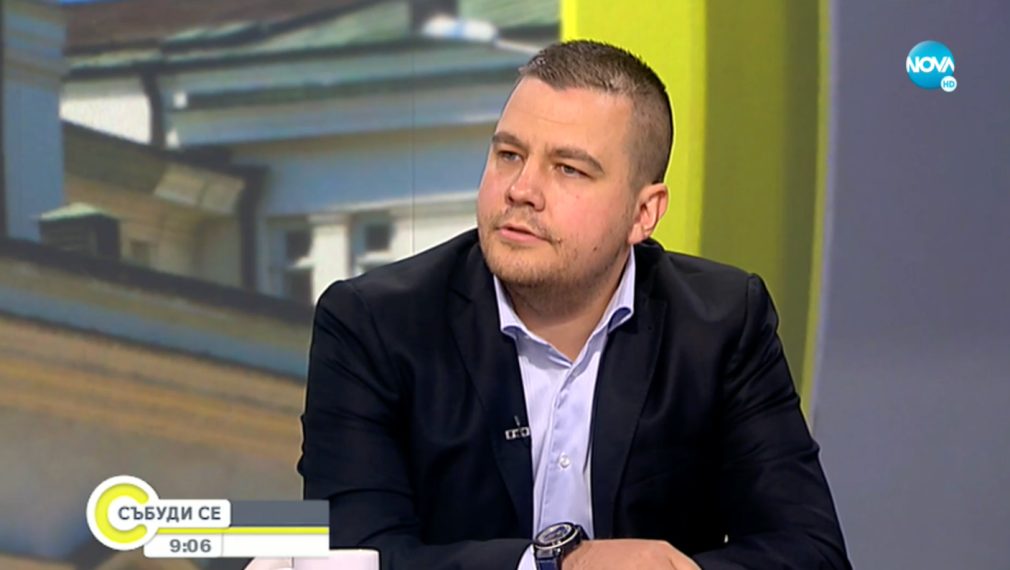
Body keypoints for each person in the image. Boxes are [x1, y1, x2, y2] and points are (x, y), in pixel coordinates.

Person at [299, 40, 850, 570]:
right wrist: (555, 565)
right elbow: (353, 554)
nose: (521, 189)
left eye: (568, 169)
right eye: (509, 155)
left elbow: (811, 550)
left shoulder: (719, 323)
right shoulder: (375, 324)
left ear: (644, 213)